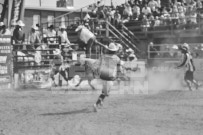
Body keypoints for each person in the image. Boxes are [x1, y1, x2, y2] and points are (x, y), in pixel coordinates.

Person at [93, 43, 123, 112]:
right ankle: (96, 103)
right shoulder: (117, 59)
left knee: (105, 88)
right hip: (110, 77)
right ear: (115, 51)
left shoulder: (102, 56)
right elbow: (119, 69)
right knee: (106, 92)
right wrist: (118, 76)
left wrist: (96, 71)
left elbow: (96, 65)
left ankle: (101, 101)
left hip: (102, 76)